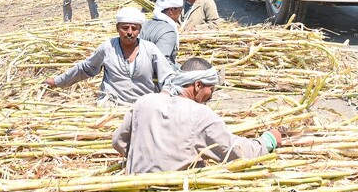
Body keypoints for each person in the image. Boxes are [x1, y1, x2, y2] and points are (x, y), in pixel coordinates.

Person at [112, 57, 282, 173]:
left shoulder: (144, 102)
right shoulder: (200, 115)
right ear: (198, 85)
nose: (211, 96)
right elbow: (236, 152)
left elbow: (118, 141)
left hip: (135, 189)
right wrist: (267, 140)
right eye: (211, 89)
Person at [45, 7, 173, 106]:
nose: (129, 32)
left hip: (142, 107)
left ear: (139, 30)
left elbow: (167, 75)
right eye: (125, 28)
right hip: (112, 106)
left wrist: (165, 93)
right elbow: (85, 68)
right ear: (117, 28)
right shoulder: (107, 48)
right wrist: (58, 81)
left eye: (134, 28)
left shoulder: (150, 49)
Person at [140, 0, 184, 66]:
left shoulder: (145, 24)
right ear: (171, 10)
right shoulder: (168, 32)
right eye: (180, 10)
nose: (180, 14)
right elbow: (162, 63)